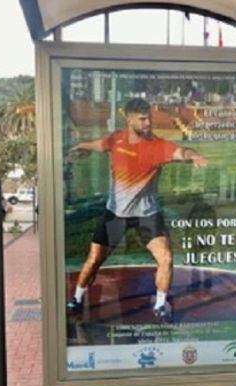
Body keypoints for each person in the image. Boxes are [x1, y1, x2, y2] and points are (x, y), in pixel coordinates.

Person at [66, 97, 209, 323]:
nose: (148, 123)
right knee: (94, 261)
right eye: (142, 119)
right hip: (116, 214)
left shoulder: (158, 145)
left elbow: (181, 151)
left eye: (149, 119)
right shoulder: (116, 140)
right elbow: (99, 144)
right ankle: (76, 297)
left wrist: (193, 156)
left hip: (147, 214)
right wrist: (83, 147)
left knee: (166, 258)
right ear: (129, 119)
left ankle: (160, 305)